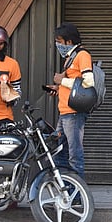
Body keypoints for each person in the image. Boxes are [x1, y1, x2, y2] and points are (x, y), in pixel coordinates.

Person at [44, 22, 95, 180]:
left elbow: (88, 82)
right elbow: (74, 83)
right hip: (65, 113)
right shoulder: (70, 57)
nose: (57, 44)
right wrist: (58, 88)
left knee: (74, 156)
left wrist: (62, 81)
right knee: (60, 153)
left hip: (73, 115)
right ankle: (64, 190)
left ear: (69, 41)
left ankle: (77, 196)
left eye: (59, 41)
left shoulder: (82, 55)